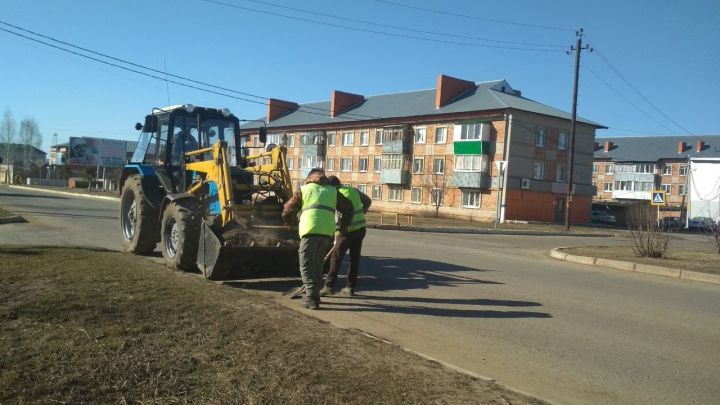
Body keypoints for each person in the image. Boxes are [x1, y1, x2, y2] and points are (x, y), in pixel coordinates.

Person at [282, 169, 353, 310]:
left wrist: (289, 223)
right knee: (318, 264)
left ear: (310, 178)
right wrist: (343, 226)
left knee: (306, 265)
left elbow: (288, 209)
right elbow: (348, 208)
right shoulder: (332, 191)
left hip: (310, 230)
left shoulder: (304, 189)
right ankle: (315, 294)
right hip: (327, 232)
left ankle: (310, 298)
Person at [320, 176, 372, 297]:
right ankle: (350, 288)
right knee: (355, 259)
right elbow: (368, 201)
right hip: (360, 229)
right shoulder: (353, 190)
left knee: (335, 258)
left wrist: (337, 234)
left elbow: (339, 217)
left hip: (347, 232)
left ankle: (328, 287)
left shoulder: (335, 195)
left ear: (331, 186)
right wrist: (361, 212)